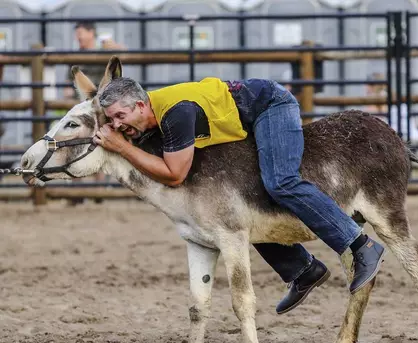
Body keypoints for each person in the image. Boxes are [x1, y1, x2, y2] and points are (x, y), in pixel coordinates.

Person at [92, 77, 386, 314]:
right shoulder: (152, 116)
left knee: (281, 181)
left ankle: (360, 245)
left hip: (271, 105)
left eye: (120, 116)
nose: (117, 125)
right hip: (248, 118)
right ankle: (303, 269)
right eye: (111, 120)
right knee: (245, 207)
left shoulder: (175, 114)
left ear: (141, 105)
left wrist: (121, 148)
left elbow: (175, 174)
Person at [65, 21, 126, 205]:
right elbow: (69, 84)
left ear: (92, 33)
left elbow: (124, 55)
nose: (79, 37)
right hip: (82, 106)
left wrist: (114, 47)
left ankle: (98, 192)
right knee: (74, 145)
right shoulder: (76, 56)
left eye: (81, 33)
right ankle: (78, 193)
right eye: (77, 34)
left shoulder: (104, 52)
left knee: (99, 143)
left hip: (100, 107)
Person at [364, 72, 418, 142]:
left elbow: (369, 122)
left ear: (370, 86)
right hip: (414, 135)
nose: (365, 88)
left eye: (367, 85)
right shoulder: (392, 95)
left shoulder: (376, 99)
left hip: (397, 139)